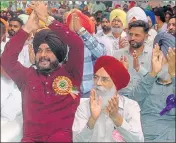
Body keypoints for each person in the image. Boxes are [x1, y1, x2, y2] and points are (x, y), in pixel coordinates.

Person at [1, 1, 84, 142]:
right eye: (39, 50)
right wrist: (26, 29)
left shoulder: (71, 74)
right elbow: (7, 60)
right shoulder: (27, 76)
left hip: (60, 137)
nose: (42, 55)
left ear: (59, 53)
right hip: (31, 138)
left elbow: (77, 45)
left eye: (48, 50)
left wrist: (48, 19)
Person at [72, 56, 144, 142]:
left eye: (104, 79)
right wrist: (92, 119)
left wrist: (116, 118)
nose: (98, 83)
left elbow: (138, 141)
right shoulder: (84, 106)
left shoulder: (131, 106)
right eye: (95, 77)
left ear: (115, 84)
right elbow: (76, 141)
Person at [129, 33, 175, 142]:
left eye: (170, 60)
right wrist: (153, 74)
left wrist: (173, 74)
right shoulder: (147, 81)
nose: (162, 63)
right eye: (158, 58)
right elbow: (131, 103)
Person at [113, 20, 152, 97]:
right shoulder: (118, 54)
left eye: (137, 35)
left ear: (146, 37)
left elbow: (154, 81)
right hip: (122, 99)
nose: (132, 38)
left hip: (145, 100)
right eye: (130, 34)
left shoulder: (153, 55)